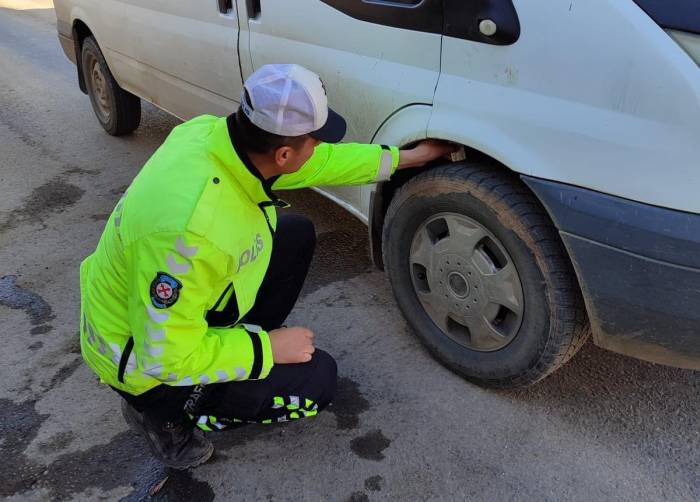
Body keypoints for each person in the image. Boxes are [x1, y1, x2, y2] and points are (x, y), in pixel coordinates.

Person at [79, 64, 456, 469]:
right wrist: (266, 349)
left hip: (166, 314)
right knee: (318, 382)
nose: (317, 146)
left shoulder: (211, 135)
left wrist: (404, 159)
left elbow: (317, 162)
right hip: (145, 362)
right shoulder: (189, 239)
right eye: (313, 139)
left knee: (292, 235)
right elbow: (164, 357)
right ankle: (167, 417)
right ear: (283, 153)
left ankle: (229, 356)